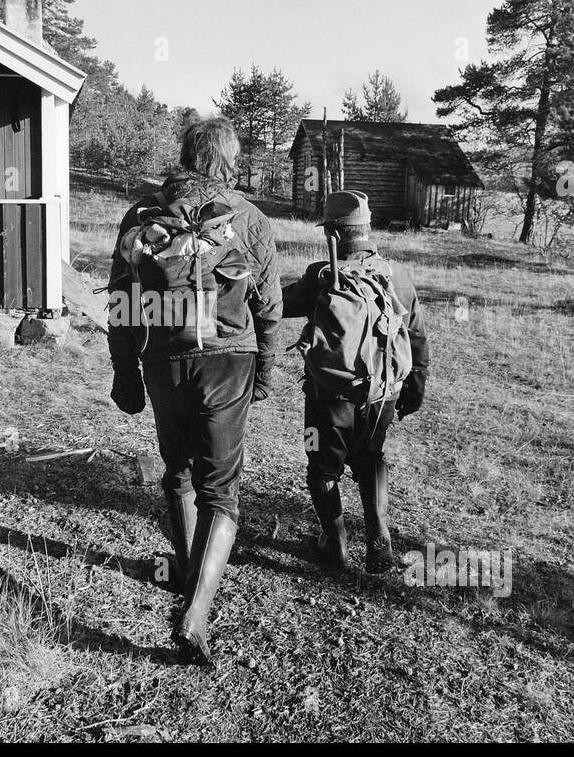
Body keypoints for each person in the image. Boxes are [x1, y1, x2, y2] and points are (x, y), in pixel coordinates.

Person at [107, 118, 281, 664]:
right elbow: (269, 305)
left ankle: (185, 574)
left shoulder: (142, 216)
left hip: (163, 360)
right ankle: (195, 615)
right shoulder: (248, 217)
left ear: (183, 155)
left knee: (178, 472)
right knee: (221, 488)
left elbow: (121, 302)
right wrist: (268, 369)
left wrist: (125, 371)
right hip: (229, 361)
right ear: (228, 160)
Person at [282, 191, 429, 574]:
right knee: (371, 458)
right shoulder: (397, 274)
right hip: (384, 393)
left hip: (329, 394)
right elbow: (416, 334)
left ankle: (334, 545)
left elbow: (279, 305)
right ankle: (379, 539)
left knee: (322, 466)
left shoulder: (321, 274)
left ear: (333, 233)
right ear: (367, 229)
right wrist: (416, 386)